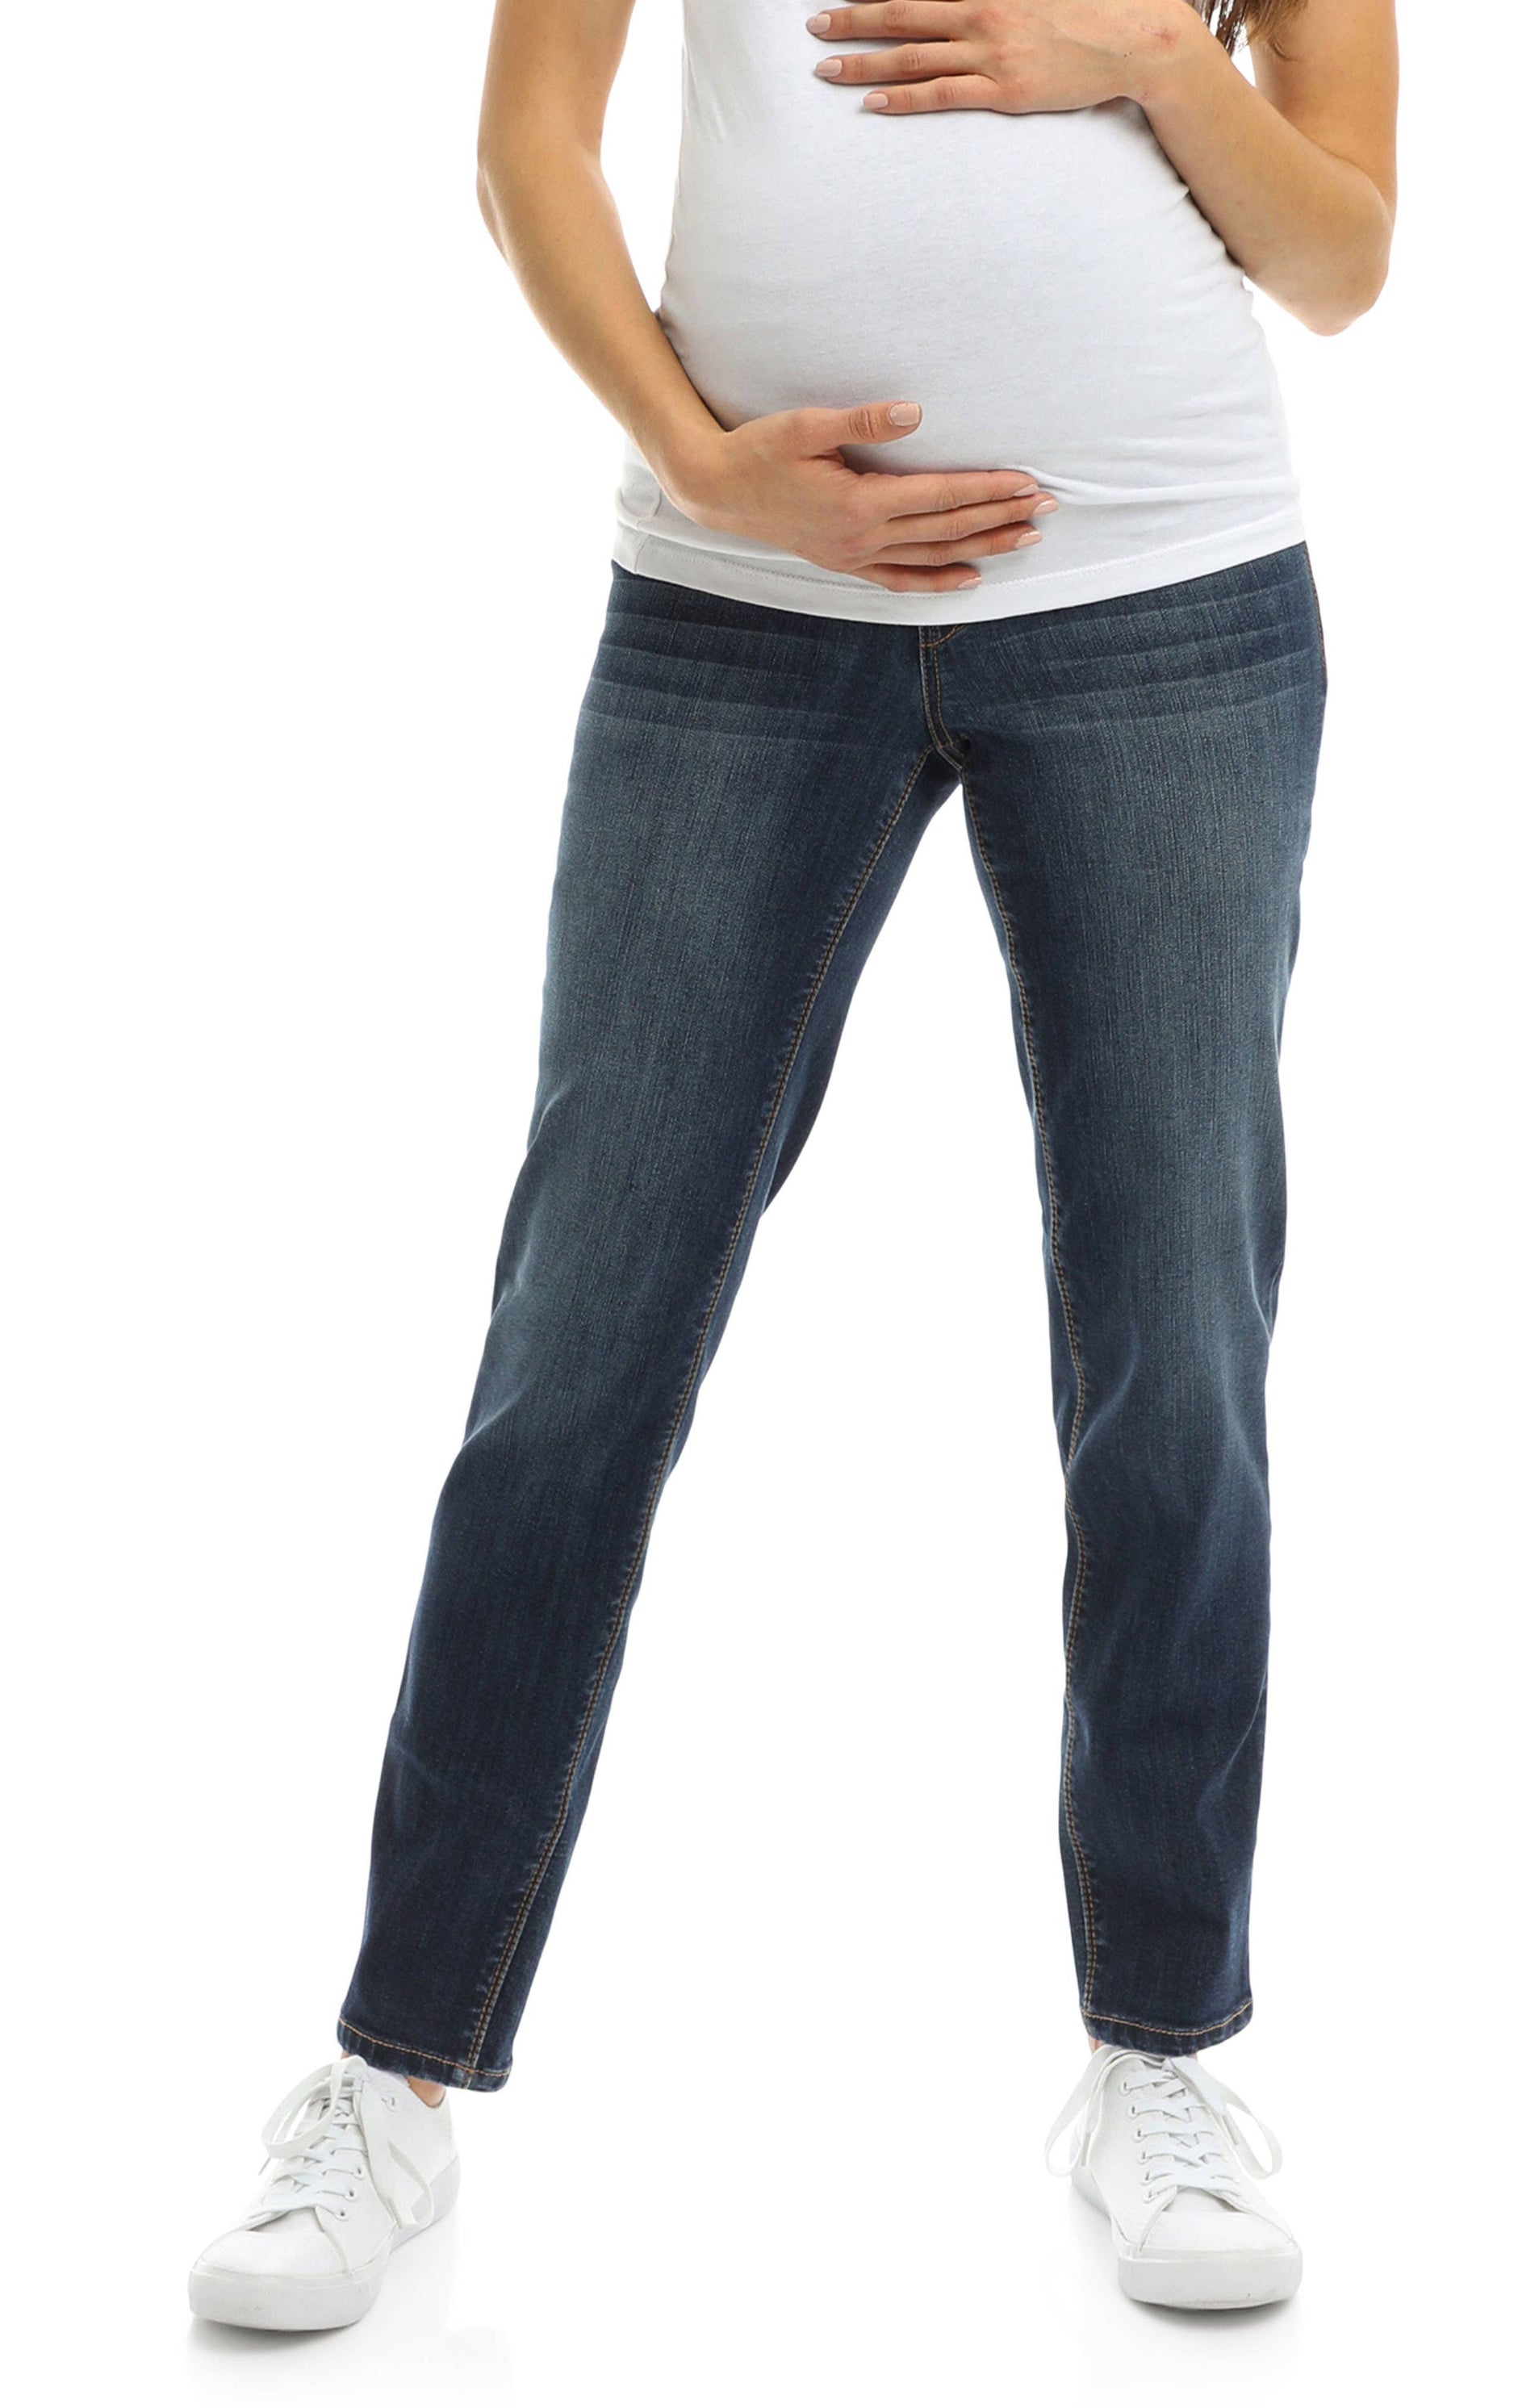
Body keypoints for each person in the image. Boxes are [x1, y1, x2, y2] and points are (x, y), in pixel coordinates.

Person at [189, 0, 1398, 2331]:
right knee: (580, 1346)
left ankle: (1159, 2053)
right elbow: (529, 146)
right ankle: (393, 2070)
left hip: (1166, 618)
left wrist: (1158, 61)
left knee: (1176, 1348)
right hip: (736, 626)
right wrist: (696, 455)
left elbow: (1342, 262)